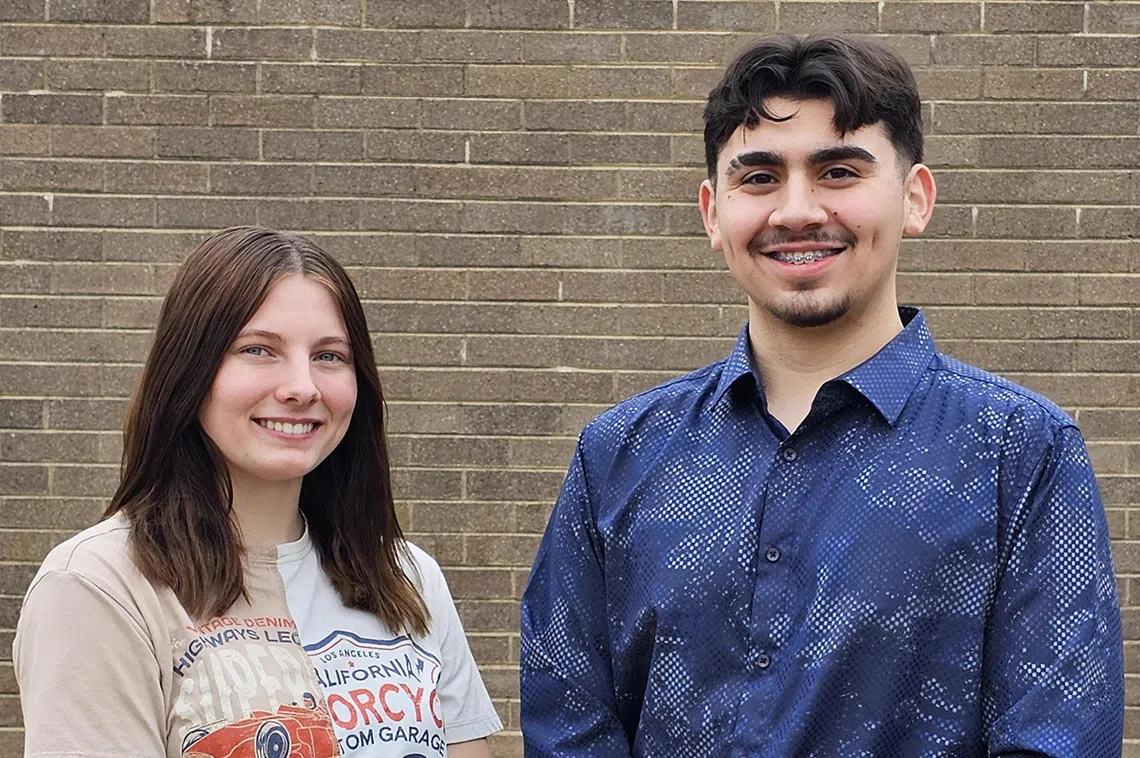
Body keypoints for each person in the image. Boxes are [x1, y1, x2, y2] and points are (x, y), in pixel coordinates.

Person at [520, 34, 1123, 757]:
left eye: (838, 171)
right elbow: (569, 730)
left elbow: (1055, 738)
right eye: (761, 177)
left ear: (915, 199)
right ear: (713, 213)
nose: (797, 211)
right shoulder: (618, 455)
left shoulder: (1022, 455)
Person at [15, 227, 501, 758]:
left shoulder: (408, 577)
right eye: (258, 349)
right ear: (189, 371)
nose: (302, 386)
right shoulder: (100, 586)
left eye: (330, 356)